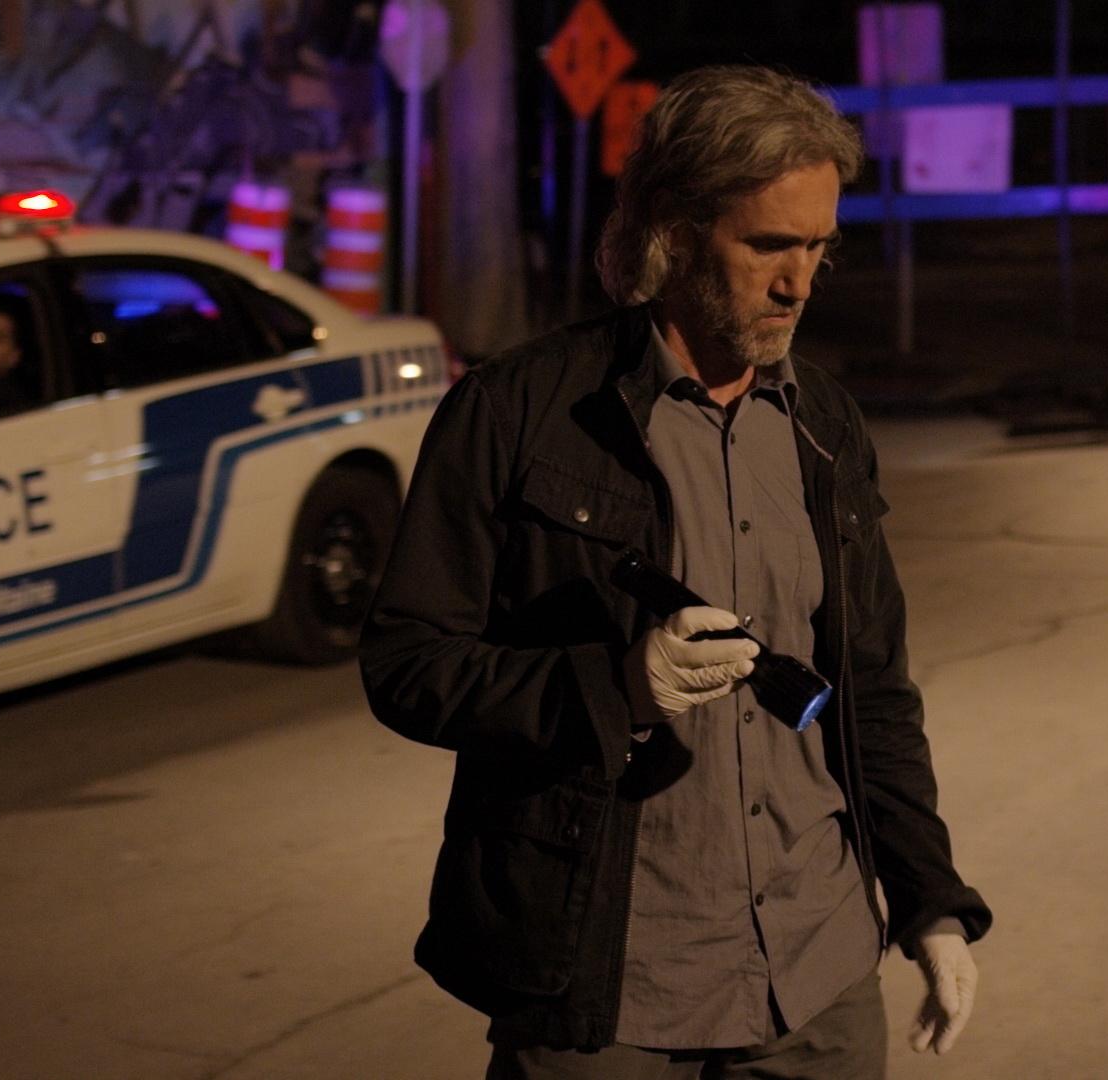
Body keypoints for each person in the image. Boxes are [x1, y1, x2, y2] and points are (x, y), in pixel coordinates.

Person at [360, 65, 991, 1078]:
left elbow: (870, 689)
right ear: (674, 233)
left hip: (814, 971)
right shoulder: (518, 412)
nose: (799, 283)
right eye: (769, 246)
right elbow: (407, 662)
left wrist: (931, 902)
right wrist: (615, 688)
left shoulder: (825, 425)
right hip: (608, 984)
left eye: (819, 248)